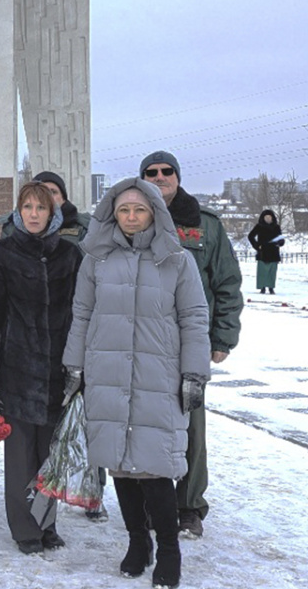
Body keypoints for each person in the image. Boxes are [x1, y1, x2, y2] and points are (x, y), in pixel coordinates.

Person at [62, 178, 210, 589]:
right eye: (123, 210)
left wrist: (195, 373)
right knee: (121, 466)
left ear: (153, 213)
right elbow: (82, 314)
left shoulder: (177, 260)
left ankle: (168, 550)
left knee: (155, 466)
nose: (130, 218)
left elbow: (194, 318)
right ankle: (137, 543)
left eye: (139, 210)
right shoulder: (97, 258)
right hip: (107, 371)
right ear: (113, 213)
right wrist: (74, 367)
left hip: (156, 375)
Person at [140, 150, 242, 539]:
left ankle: (189, 506)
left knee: (191, 426)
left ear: (178, 177)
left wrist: (223, 337)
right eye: (152, 172)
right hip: (146, 341)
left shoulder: (206, 226)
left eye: (167, 172)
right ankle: (154, 502)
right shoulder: (132, 219)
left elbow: (227, 283)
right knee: (149, 424)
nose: (160, 177)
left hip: (189, 344)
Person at [0, 182, 82, 554]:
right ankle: (25, 530)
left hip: (59, 369)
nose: (34, 213)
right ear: (18, 212)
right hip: (16, 367)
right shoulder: (2, 254)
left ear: (53, 212)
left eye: (41, 207)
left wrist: (79, 363)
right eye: (28, 207)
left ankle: (47, 523)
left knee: (50, 455)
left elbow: (81, 313)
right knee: (21, 456)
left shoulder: (70, 256)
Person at [0, 171, 90, 244]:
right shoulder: (12, 226)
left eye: (53, 192)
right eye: (42, 192)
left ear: (63, 198)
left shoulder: (83, 226)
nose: (47, 197)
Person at [248, 209, 284, 294]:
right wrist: (256, 246)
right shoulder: (259, 226)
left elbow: (281, 238)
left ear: (272, 218)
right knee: (262, 271)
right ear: (263, 218)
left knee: (272, 271)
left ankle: (271, 287)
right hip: (263, 251)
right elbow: (250, 236)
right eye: (266, 217)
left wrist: (280, 243)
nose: (268, 218)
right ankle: (262, 287)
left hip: (274, 251)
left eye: (269, 217)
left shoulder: (276, 227)